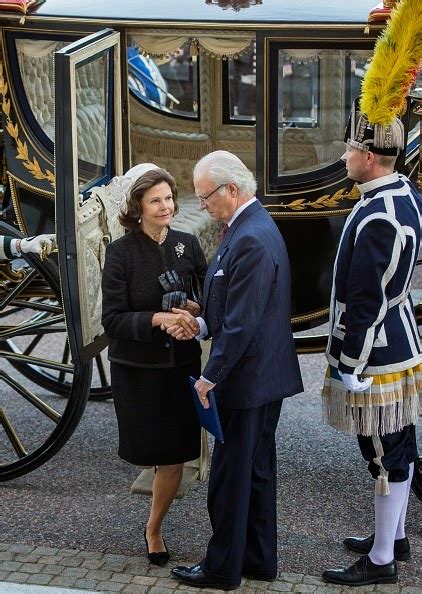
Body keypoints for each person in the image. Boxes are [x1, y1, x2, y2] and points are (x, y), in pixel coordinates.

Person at [169, 150, 303, 590]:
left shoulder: (248, 236)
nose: (202, 205)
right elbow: (238, 309)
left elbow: (243, 323)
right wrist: (204, 320)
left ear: (230, 189)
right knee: (257, 472)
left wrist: (211, 377)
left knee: (229, 477)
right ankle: (259, 560)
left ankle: (222, 568)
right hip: (265, 378)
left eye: (206, 197)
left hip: (246, 381)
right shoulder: (251, 226)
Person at [321, 102, 422, 586]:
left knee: (385, 453)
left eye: (350, 149)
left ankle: (382, 560)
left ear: (370, 156)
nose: (344, 157)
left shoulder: (381, 214)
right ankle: (393, 537)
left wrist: (352, 364)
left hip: (376, 351)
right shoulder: (400, 190)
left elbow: (367, 299)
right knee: (397, 446)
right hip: (397, 341)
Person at [101, 163, 208, 567]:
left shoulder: (188, 244)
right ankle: (153, 521)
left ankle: (154, 528)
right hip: (138, 369)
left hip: (181, 366)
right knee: (147, 449)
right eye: (155, 200)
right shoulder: (120, 253)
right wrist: (158, 319)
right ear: (138, 208)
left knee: (175, 452)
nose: (166, 207)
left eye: (169, 198)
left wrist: (195, 311)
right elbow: (111, 320)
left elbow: (208, 297)